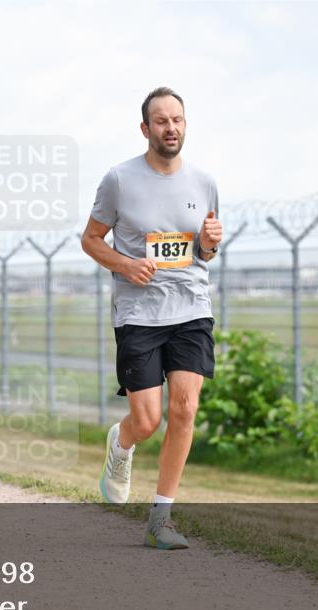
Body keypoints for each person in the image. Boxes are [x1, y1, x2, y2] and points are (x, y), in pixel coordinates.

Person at [80, 87, 223, 550]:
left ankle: (161, 518)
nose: (171, 128)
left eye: (177, 119)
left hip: (191, 308)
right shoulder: (119, 180)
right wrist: (124, 264)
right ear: (145, 129)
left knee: (185, 409)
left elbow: (203, 252)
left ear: (186, 124)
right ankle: (122, 445)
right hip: (139, 312)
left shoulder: (204, 182)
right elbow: (91, 239)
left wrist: (209, 243)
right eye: (161, 121)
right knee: (147, 419)